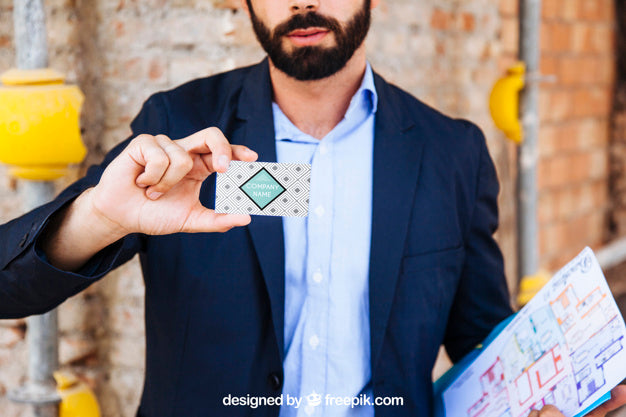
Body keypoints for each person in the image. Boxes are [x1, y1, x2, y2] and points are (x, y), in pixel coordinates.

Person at [1, 0, 624, 416]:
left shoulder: (451, 153)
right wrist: (102, 217)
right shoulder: (179, 127)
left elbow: (479, 339)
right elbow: (9, 288)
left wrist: (561, 391)